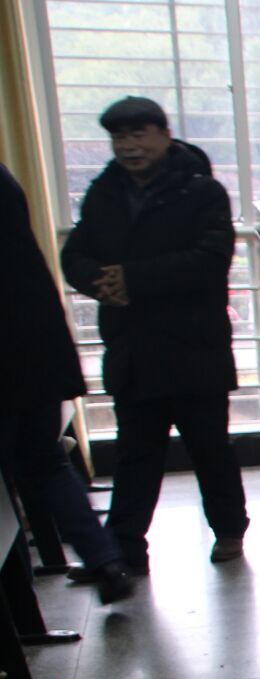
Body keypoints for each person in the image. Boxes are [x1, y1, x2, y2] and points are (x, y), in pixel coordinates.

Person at [60, 96, 249, 573]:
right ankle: (123, 550)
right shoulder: (104, 192)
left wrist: (133, 280)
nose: (129, 146)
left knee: (210, 450)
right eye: (119, 137)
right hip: (133, 350)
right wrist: (98, 282)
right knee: (134, 456)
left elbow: (210, 260)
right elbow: (75, 253)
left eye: (138, 135)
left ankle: (229, 530)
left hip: (194, 349)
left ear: (164, 135)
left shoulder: (201, 191)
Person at [0, 161, 134, 604]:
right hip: (38, 350)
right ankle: (105, 560)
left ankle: (16, 604)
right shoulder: (5, 179)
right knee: (47, 463)